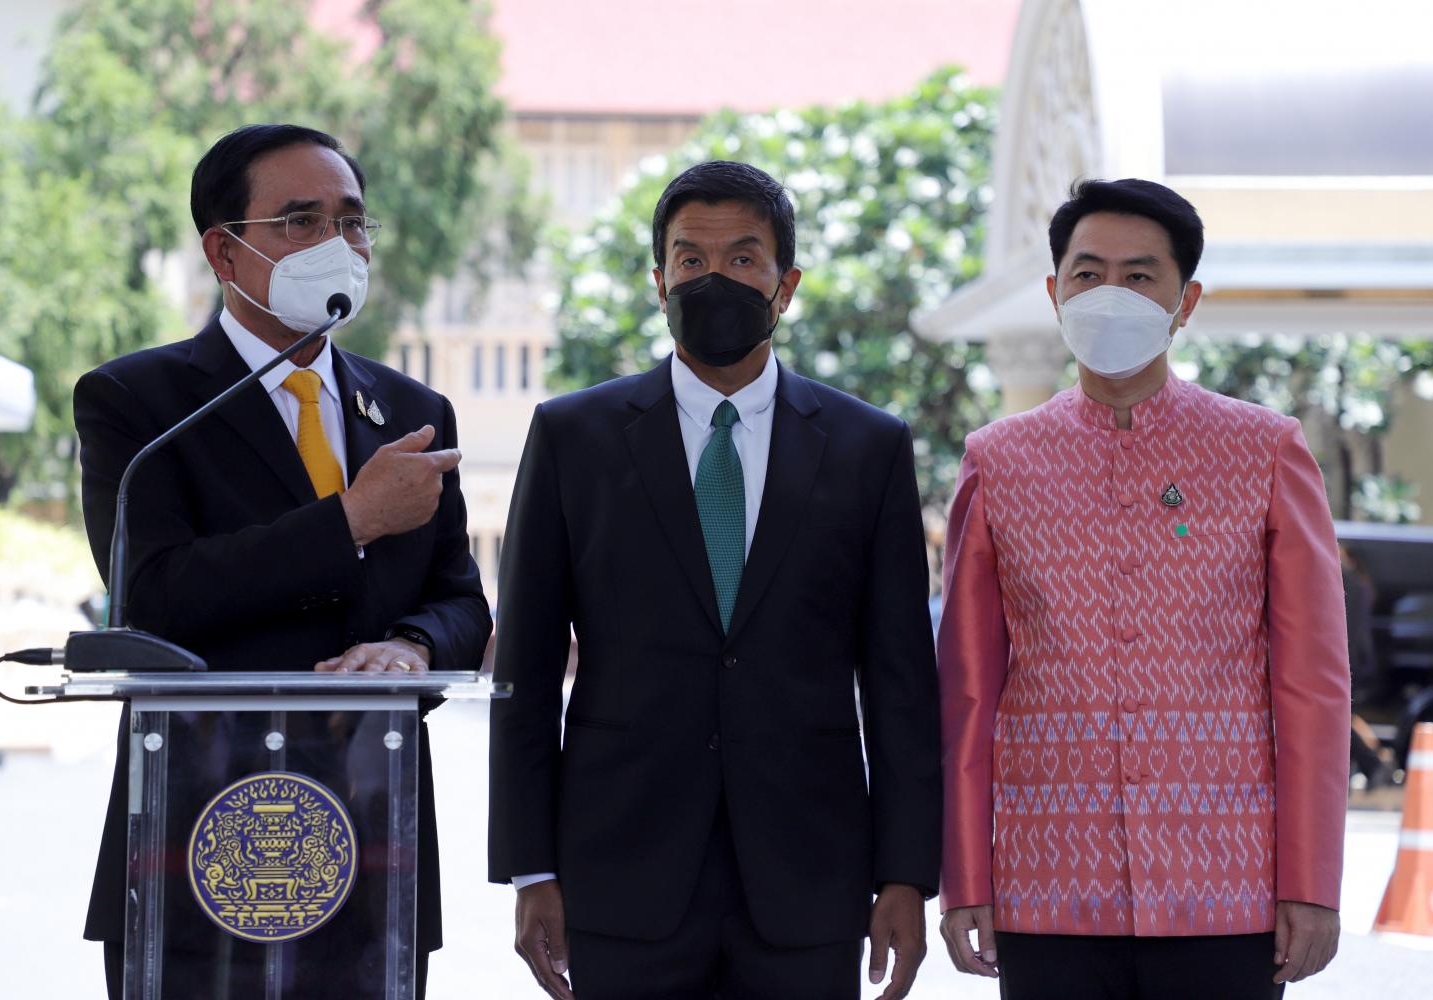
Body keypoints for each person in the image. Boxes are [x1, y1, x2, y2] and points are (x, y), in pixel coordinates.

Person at [488, 161, 941, 1000]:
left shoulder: (867, 446)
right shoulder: (570, 437)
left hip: (810, 879)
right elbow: (524, 668)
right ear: (659, 281)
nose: (713, 278)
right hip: (619, 873)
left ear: (785, 284)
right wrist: (527, 868)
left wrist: (906, 873)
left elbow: (900, 683)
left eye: (742, 258)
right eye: (690, 260)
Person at [73, 124, 491, 998]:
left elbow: (460, 602)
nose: (336, 245)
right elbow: (151, 595)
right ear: (224, 252)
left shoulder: (412, 409)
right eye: (300, 221)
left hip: (374, 826)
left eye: (351, 221)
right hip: (194, 828)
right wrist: (349, 520)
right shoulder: (137, 402)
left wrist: (413, 645)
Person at [936, 178, 1351, 999]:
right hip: (1047, 883)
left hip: (1229, 883)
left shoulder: (1263, 451)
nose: (1110, 295)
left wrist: (1309, 879)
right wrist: (964, 875)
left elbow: (1312, 685)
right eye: (1087, 275)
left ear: (1184, 299)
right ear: (1054, 293)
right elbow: (966, 691)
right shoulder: (998, 459)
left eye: (1139, 275)